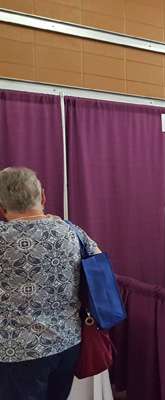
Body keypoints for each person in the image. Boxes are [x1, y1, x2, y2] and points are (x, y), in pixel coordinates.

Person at [0, 167, 100, 399]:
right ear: (43, 197)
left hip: (17, 352)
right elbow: (99, 266)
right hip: (67, 343)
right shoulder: (71, 231)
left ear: (3, 208)